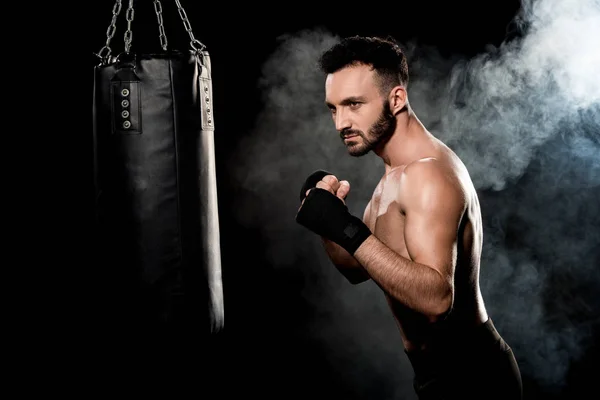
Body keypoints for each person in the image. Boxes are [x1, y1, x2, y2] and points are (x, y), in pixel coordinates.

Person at [295, 35, 523, 400]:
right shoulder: (393, 175)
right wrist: (328, 222)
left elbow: (436, 301)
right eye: (333, 108)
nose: (341, 123)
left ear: (396, 98)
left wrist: (346, 229)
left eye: (354, 104)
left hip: (474, 377)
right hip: (435, 377)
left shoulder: (427, 174)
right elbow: (358, 268)